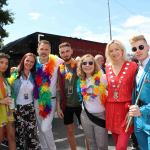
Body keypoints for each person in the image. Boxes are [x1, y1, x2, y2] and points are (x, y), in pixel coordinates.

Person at [105, 40, 137, 150]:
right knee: (116, 142)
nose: (114, 53)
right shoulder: (107, 67)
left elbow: (135, 89)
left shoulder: (133, 66)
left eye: (116, 49)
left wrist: (132, 109)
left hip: (126, 109)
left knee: (121, 146)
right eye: (111, 51)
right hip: (111, 109)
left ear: (122, 50)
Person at [34, 40, 63, 150]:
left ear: (50, 50)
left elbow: (71, 62)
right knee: (40, 129)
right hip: (37, 99)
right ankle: (44, 148)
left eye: (46, 49)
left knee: (45, 128)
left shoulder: (57, 61)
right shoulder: (34, 62)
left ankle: (52, 148)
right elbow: (23, 67)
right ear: (38, 50)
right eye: (42, 49)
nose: (44, 51)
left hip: (50, 100)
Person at [8, 53, 39, 149]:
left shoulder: (34, 76)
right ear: (23, 61)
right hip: (18, 109)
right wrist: (11, 109)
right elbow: (10, 92)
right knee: (20, 135)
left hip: (30, 108)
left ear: (34, 64)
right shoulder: (15, 74)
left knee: (32, 135)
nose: (29, 63)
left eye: (32, 62)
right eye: (27, 60)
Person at [77, 54, 108, 150]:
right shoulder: (81, 80)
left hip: (101, 115)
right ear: (81, 66)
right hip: (85, 115)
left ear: (94, 65)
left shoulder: (103, 77)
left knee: (102, 145)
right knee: (91, 143)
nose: (87, 65)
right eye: (84, 63)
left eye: (90, 63)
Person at [56, 42, 82, 150]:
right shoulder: (60, 68)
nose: (65, 54)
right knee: (70, 131)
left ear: (71, 51)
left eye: (67, 51)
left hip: (81, 104)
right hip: (67, 104)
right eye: (62, 52)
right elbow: (58, 87)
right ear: (60, 54)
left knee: (87, 131)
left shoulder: (79, 64)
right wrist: (58, 106)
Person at [128, 35, 150, 150]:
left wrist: (141, 110)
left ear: (148, 47)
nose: (138, 51)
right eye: (134, 49)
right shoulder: (137, 68)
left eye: (141, 47)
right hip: (138, 121)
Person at [0, 53, 16, 150]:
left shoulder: (4, 79)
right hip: (1, 114)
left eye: (6, 63)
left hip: (9, 113)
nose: (4, 65)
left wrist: (14, 73)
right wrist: (1, 101)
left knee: (12, 137)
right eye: (1, 62)